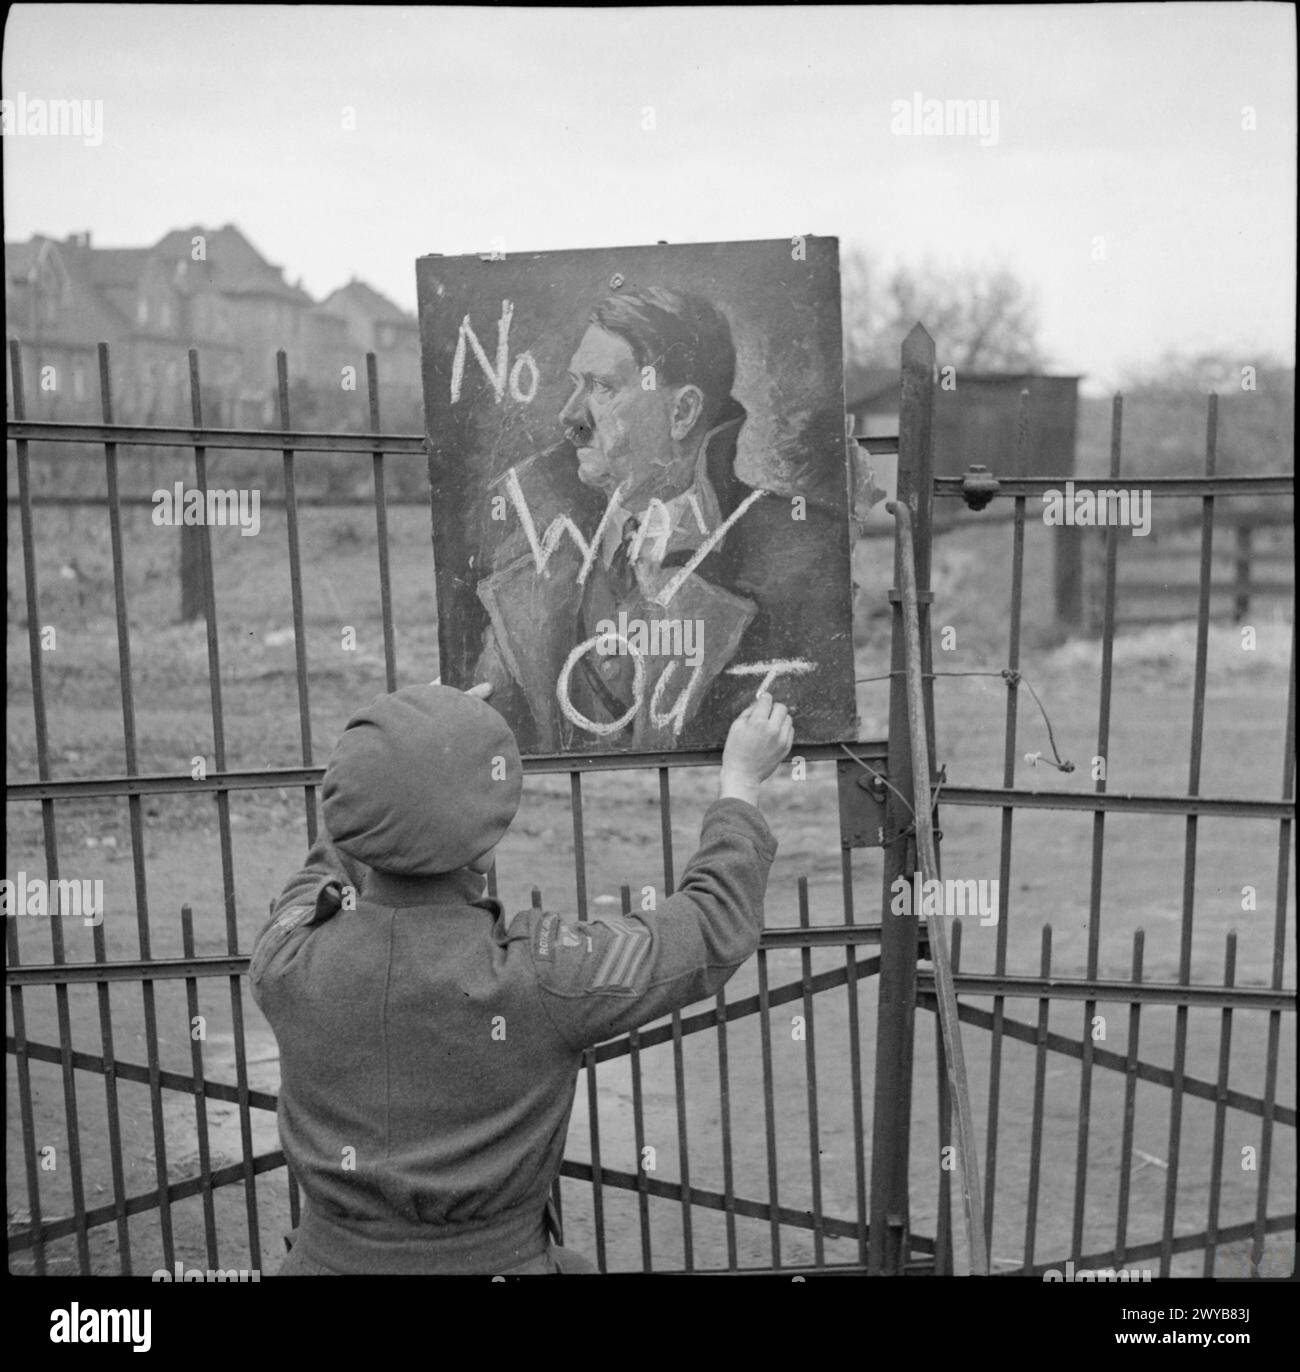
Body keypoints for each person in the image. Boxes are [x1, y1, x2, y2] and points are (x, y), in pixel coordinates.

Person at [250, 679, 792, 1275]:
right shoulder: (539, 974)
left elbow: (327, 859)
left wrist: (406, 747)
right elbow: (711, 925)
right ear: (485, 851)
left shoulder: (287, 957)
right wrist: (741, 785)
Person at [472, 283, 853, 752]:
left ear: (683, 411)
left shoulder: (797, 559)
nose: (569, 416)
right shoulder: (525, 555)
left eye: (603, 387)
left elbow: (810, 728)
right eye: (577, 384)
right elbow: (490, 728)